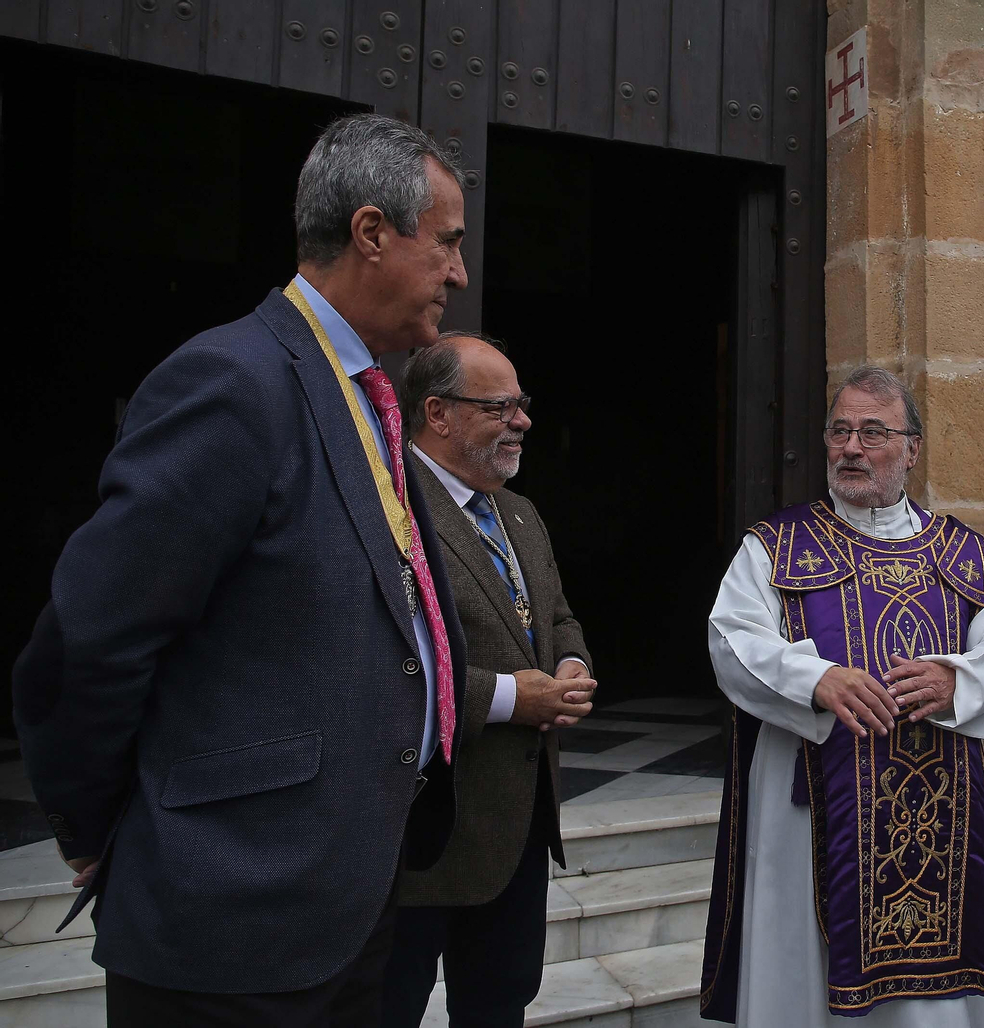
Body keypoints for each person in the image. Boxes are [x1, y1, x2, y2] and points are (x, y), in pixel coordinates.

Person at [9, 113, 470, 1024]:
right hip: (231, 917)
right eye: (448, 244)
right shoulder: (234, 381)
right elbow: (91, 640)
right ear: (372, 233)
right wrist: (108, 827)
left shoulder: (362, 389)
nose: (459, 272)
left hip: (350, 899)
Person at [699, 365, 984, 1027]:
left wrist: (955, 679)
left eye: (873, 433)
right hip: (815, 800)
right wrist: (813, 680)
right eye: (841, 431)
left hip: (938, 804)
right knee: (807, 964)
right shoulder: (776, 546)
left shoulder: (961, 551)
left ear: (911, 449)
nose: (851, 447)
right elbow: (730, 638)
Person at [379, 333, 597, 1027]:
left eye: (522, 403)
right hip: (419, 841)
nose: (523, 420)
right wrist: (511, 699)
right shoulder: (388, 511)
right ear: (437, 413)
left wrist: (570, 664)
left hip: (518, 832)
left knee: (498, 1008)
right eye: (500, 405)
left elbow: (557, 616)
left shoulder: (520, 513)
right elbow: (380, 665)